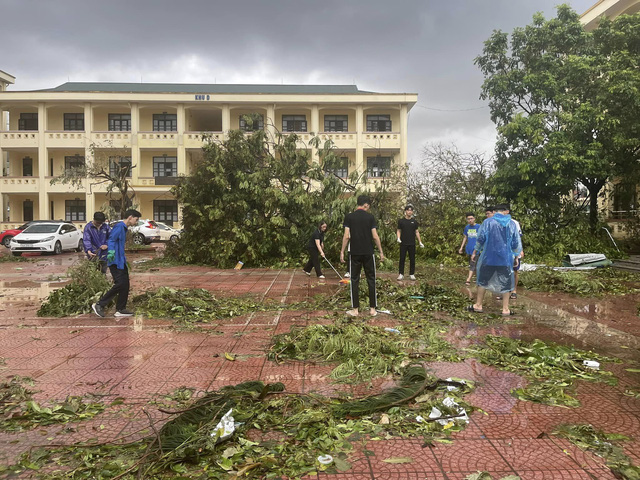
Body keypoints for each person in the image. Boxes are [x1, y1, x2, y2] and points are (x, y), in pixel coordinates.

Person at [469, 204, 522, 316]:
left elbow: (480, 238)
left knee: (483, 281)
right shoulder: (511, 224)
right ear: (505, 211)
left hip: (489, 258)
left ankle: (478, 305)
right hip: (505, 259)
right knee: (506, 283)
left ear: (495, 211)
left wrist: (475, 252)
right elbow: (515, 242)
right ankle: (505, 309)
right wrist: (516, 256)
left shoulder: (488, 222)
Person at [340, 195, 385, 317]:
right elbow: (375, 236)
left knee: (354, 280)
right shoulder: (370, 217)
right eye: (368, 206)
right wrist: (381, 251)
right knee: (371, 279)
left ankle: (355, 310)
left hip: (354, 253)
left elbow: (347, 236)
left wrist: (342, 251)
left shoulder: (349, 217)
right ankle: (372, 309)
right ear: (365, 205)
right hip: (368, 253)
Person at [92, 209, 141, 318]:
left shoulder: (124, 228)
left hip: (121, 261)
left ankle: (121, 309)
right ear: (130, 217)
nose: (136, 222)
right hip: (115, 260)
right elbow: (111, 240)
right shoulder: (119, 227)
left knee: (125, 284)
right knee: (119, 284)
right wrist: (111, 252)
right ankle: (99, 304)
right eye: (136, 219)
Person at [396, 205, 424, 280]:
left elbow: (417, 232)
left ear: (412, 212)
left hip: (412, 243)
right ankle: (401, 274)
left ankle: (412, 274)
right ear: (405, 211)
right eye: (408, 210)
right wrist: (398, 237)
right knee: (402, 259)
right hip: (403, 243)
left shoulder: (414, 222)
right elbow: (398, 230)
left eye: (411, 210)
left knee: (412, 259)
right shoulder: (401, 221)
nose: (409, 212)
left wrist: (420, 242)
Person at [458, 212, 480, 286]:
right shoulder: (467, 227)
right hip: (469, 248)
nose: (470, 220)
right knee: (473, 264)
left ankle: (468, 279)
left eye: (471, 218)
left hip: (476, 249)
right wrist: (461, 247)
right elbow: (465, 237)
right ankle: (478, 278)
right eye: (468, 219)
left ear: (474, 218)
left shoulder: (479, 227)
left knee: (472, 264)